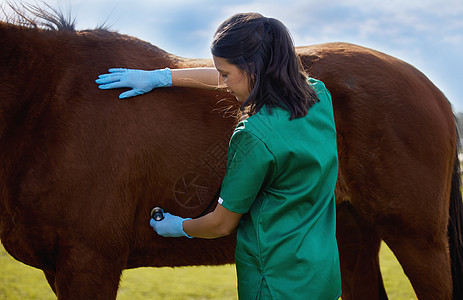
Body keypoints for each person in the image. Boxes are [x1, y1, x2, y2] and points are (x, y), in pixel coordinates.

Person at [96, 13, 341, 300]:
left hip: (274, 284)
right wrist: (161, 77)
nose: (222, 83)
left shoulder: (253, 135)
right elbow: (234, 75)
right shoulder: (319, 95)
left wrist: (179, 227)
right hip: (320, 275)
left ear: (253, 68)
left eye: (225, 74)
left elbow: (221, 224)